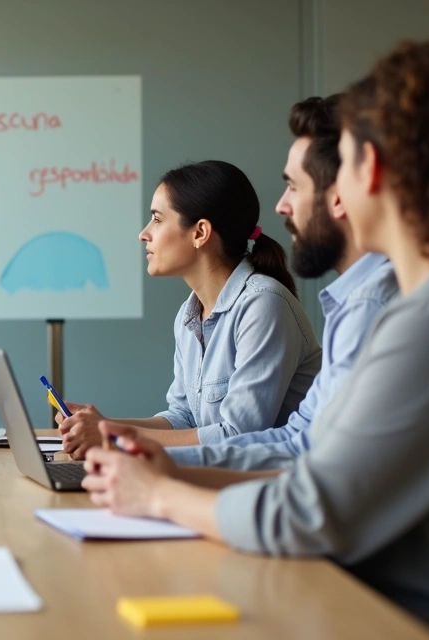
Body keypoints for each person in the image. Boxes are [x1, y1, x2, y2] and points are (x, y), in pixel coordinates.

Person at [81, 40, 429, 638]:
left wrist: (159, 493)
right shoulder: (419, 309)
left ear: (368, 170)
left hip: (389, 617)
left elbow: (310, 510)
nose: (286, 203)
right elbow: (303, 450)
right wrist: (173, 469)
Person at [168, 95, 397, 470]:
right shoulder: (350, 304)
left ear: (341, 195)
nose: (280, 206)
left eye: (293, 186)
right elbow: (299, 441)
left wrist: (160, 477)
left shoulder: (375, 309)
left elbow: (328, 481)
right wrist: (144, 456)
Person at [57, 160, 321, 458]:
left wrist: (113, 435)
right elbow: (183, 417)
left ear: (200, 233)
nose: (144, 233)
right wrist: (103, 425)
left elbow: (239, 436)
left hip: (271, 482)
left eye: (157, 219)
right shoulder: (189, 315)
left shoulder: (264, 304)